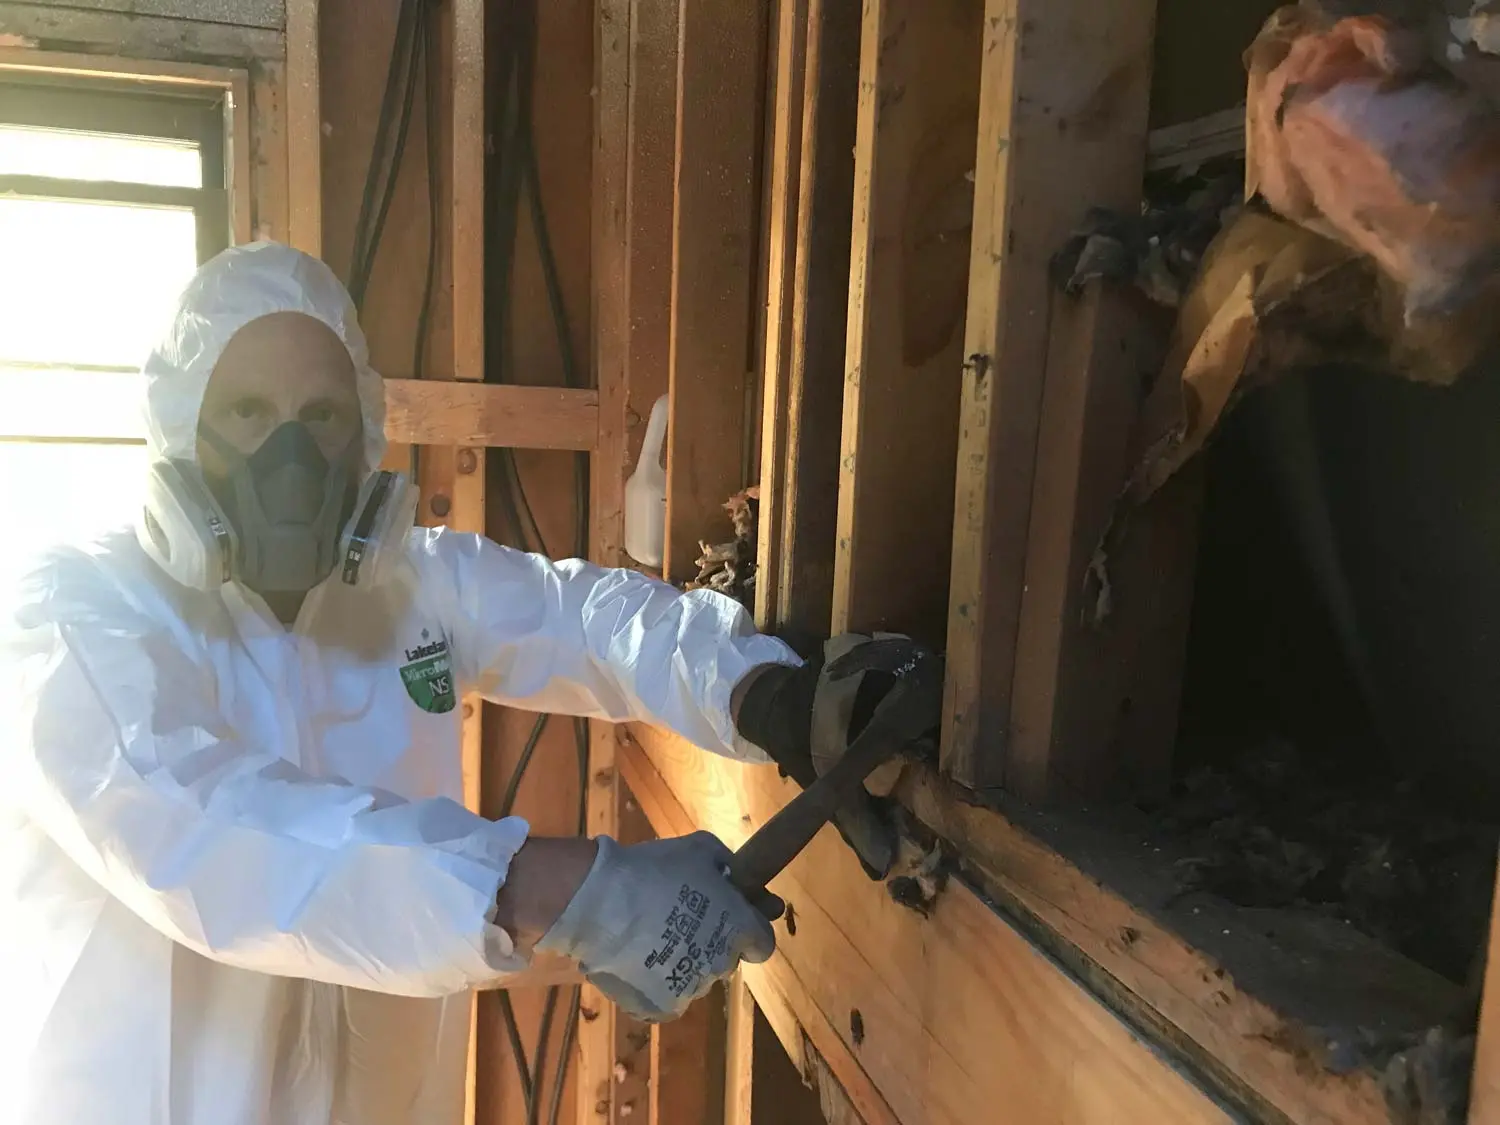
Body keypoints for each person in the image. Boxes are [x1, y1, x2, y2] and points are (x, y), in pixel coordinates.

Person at [0, 242, 933, 1125]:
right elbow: (195, 825)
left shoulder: (410, 585)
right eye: (246, 413)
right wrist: (557, 890)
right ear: (178, 429)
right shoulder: (71, 612)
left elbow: (580, 617)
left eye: (320, 417)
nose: (288, 461)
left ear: (364, 433)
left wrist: (759, 692)